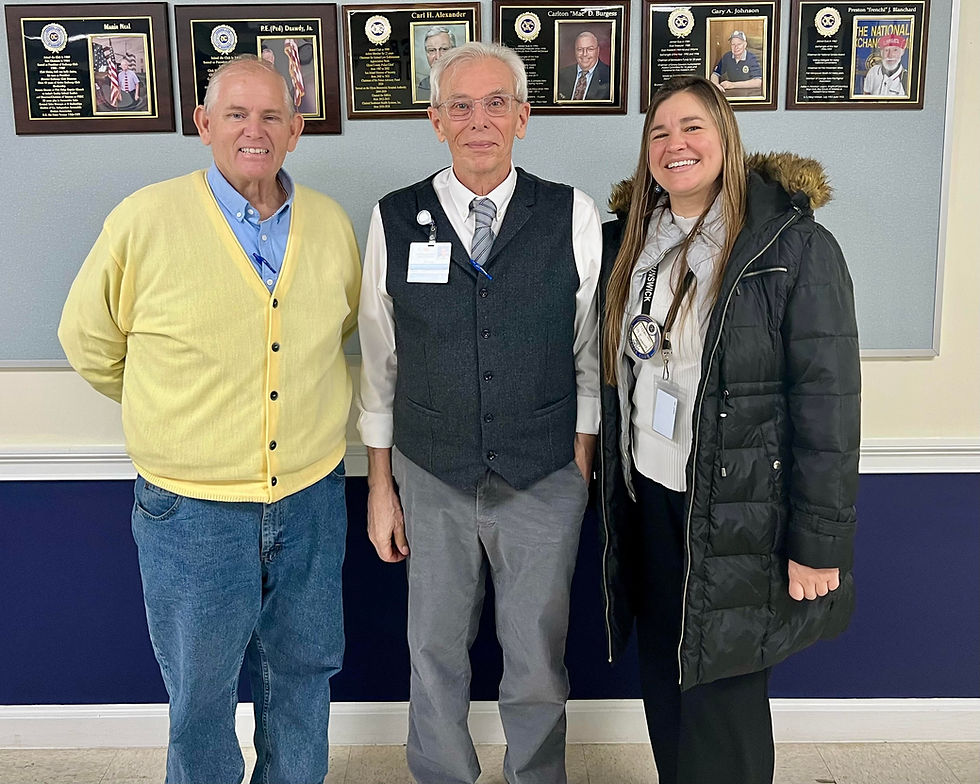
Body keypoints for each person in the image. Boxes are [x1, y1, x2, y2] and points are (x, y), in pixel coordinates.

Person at [58, 56, 360, 784]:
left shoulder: (328, 223)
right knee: (200, 696)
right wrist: (176, 415)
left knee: (303, 677)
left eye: (270, 117)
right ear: (202, 125)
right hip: (190, 512)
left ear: (295, 130)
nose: (253, 131)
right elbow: (89, 344)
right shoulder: (145, 219)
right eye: (235, 114)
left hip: (311, 499)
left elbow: (338, 335)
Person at [597, 75, 859, 784]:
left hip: (738, 507)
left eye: (692, 129)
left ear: (727, 139)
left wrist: (818, 543)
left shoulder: (793, 247)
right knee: (666, 681)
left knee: (723, 696)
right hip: (647, 495)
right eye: (659, 133)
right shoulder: (628, 242)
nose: (674, 145)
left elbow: (828, 404)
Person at [358, 41, 602, 784]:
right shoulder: (395, 217)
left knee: (536, 658)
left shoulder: (572, 211)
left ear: (523, 117)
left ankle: (536, 777)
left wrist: (581, 461)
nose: (479, 120)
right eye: (460, 105)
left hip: (544, 472)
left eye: (497, 103)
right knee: (432, 653)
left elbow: (587, 349)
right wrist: (380, 485)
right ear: (436, 120)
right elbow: (379, 359)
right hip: (430, 473)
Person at [557, 30, 611, 100]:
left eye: (590, 49)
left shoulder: (610, 76)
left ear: (598, 50)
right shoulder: (561, 75)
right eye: (580, 49)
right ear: (575, 51)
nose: (584, 54)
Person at [416, 26, 456, 102]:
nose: (438, 56)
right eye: (432, 50)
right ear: (426, 53)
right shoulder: (424, 85)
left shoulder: (464, 80)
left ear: (454, 51)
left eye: (444, 49)